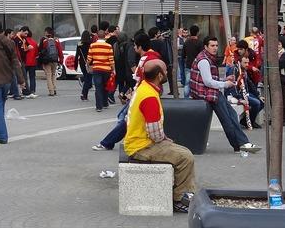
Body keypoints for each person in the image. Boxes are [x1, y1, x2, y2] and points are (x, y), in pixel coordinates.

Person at [123, 53, 196, 213]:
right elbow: (155, 135)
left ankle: (179, 193)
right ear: (159, 75)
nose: (167, 72)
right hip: (142, 147)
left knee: (178, 151)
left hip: (137, 142)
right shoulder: (149, 96)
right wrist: (165, 140)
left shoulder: (144, 88)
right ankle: (179, 199)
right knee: (186, 157)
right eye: (165, 70)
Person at [189, 36, 261, 153]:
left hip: (210, 93)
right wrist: (225, 84)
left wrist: (224, 80)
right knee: (228, 119)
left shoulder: (207, 58)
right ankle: (241, 144)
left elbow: (208, 80)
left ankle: (241, 144)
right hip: (207, 94)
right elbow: (208, 81)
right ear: (206, 46)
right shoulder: (204, 60)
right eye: (212, 46)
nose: (215, 48)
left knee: (231, 115)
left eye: (216, 45)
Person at [93, 32, 158, 151]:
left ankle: (109, 142)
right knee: (125, 117)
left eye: (135, 45)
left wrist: (134, 93)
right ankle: (109, 142)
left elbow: (140, 78)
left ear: (139, 47)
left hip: (142, 94)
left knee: (126, 118)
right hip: (145, 93)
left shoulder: (145, 59)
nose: (133, 47)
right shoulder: (154, 56)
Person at [226, 56, 263, 129]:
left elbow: (250, 84)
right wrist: (239, 98)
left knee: (261, 102)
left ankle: (246, 121)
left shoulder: (244, 70)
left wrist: (258, 95)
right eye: (245, 63)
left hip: (245, 93)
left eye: (247, 63)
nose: (247, 65)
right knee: (257, 103)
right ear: (239, 62)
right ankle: (249, 122)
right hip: (236, 94)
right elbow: (233, 86)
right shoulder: (234, 70)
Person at [87, 22, 115, 111]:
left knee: (98, 87)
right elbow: (111, 59)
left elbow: (89, 58)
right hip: (107, 69)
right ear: (104, 36)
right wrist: (113, 69)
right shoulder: (109, 46)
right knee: (105, 86)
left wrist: (88, 64)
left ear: (98, 36)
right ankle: (105, 103)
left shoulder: (92, 45)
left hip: (97, 69)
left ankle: (99, 106)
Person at [39, 27, 63, 96]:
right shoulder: (57, 41)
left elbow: (41, 51)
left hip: (47, 61)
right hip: (55, 60)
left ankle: (51, 91)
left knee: (48, 75)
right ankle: (54, 89)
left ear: (47, 33)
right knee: (53, 75)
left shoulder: (45, 41)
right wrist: (61, 61)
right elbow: (60, 52)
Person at [22, 27, 39, 98]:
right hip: (33, 62)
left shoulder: (24, 41)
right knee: (32, 77)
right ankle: (33, 90)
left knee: (24, 77)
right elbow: (36, 54)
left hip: (25, 62)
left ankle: (26, 90)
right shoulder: (34, 42)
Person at [76, 30, 93, 101]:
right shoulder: (91, 44)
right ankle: (84, 94)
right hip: (89, 62)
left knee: (87, 77)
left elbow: (77, 54)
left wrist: (76, 63)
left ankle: (84, 93)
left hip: (82, 62)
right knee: (88, 78)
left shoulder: (79, 43)